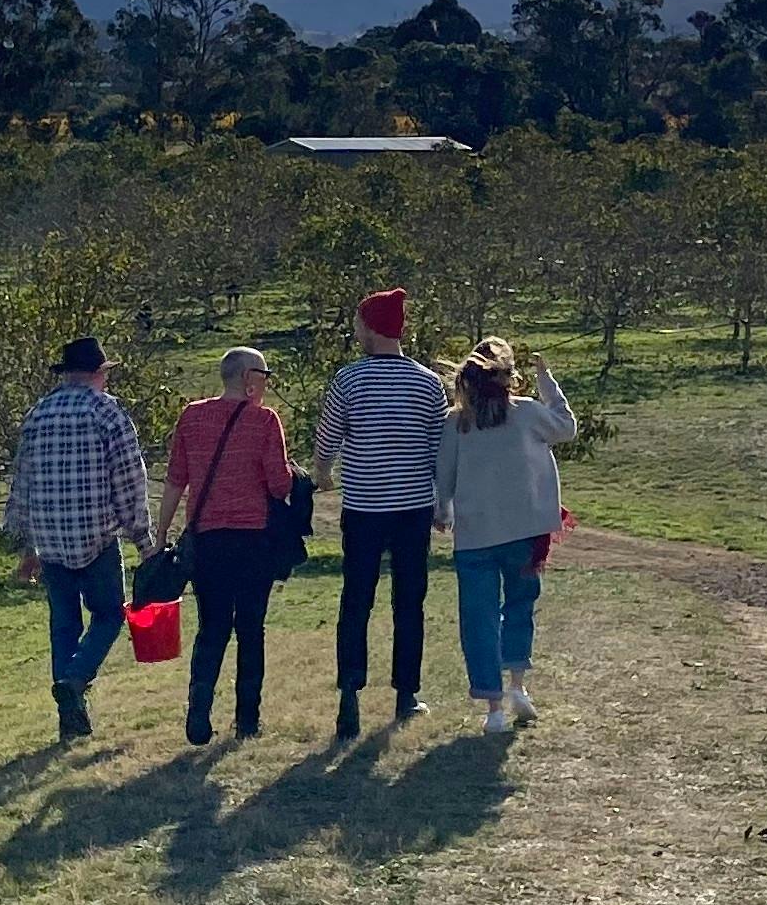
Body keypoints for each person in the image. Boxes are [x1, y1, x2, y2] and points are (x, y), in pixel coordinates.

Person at [2, 334, 150, 741]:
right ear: (98, 373)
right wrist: (143, 537)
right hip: (98, 535)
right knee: (108, 614)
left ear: (66, 375)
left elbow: (24, 483)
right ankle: (76, 681)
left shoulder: (38, 414)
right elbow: (129, 480)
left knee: (63, 623)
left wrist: (27, 547)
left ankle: (70, 719)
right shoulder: (107, 413)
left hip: (50, 539)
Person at [317, 285, 449, 738]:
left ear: (370, 328)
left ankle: (350, 693)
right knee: (409, 602)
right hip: (412, 508)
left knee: (356, 599)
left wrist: (322, 472)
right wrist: (441, 502)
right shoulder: (429, 383)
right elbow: (437, 450)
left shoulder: (349, 380)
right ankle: (406, 693)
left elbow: (328, 438)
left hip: (364, 507)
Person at [429, 336, 573, 738]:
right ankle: (518, 687)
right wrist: (547, 381)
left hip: (475, 535)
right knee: (520, 606)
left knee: (479, 618)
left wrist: (443, 511)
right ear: (510, 379)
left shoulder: (456, 423)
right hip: (525, 530)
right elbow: (567, 427)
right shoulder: (527, 413)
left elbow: (445, 475)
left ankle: (493, 708)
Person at [155, 345, 293, 745]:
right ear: (250, 379)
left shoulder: (192, 416)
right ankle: (247, 719)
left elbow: (176, 480)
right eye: (264, 376)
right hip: (253, 539)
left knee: (211, 627)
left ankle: (198, 710)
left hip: (208, 539)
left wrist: (162, 535)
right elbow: (278, 484)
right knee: (251, 629)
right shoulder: (264, 420)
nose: (266, 384)